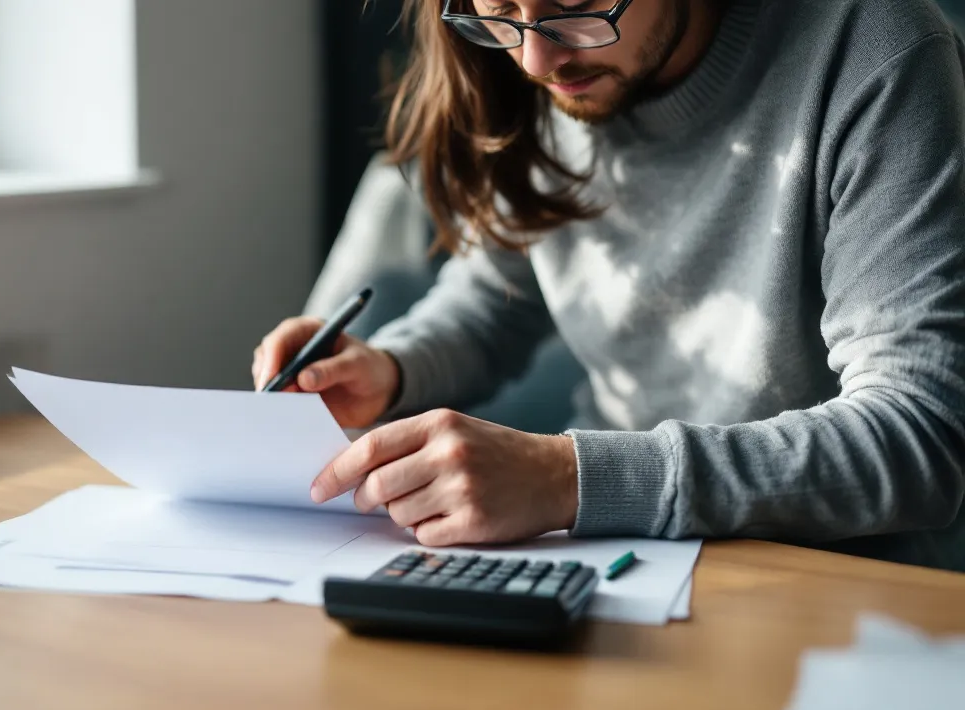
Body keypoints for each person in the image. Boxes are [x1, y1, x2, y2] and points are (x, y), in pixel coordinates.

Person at [253, 0, 965, 570]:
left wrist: (568, 477)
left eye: (575, 3)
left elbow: (921, 431)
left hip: (837, 580)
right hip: (609, 559)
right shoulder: (533, 66)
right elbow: (492, 299)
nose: (536, 58)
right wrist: (389, 366)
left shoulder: (875, 49)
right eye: (497, 9)